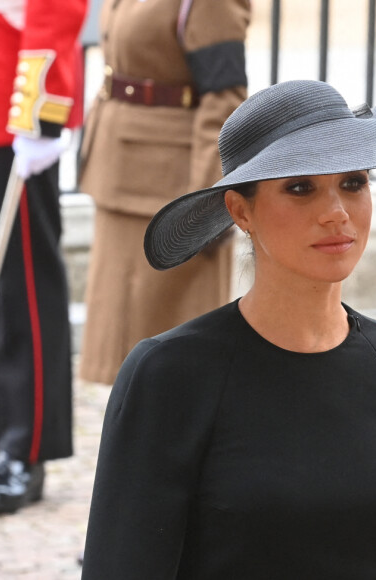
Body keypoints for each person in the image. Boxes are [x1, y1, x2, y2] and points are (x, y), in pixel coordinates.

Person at [80, 79, 376, 579]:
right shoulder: (170, 376)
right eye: (300, 187)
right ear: (241, 211)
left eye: (354, 182)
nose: (336, 213)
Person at [77, 0, 250, 386]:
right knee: (122, 350)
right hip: (121, 172)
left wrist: (206, 204)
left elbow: (224, 97)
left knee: (174, 360)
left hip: (171, 193)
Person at [0, 0, 87, 513]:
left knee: (22, 289)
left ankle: (21, 446)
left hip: (9, 111)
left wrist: (41, 113)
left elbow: (54, 10)